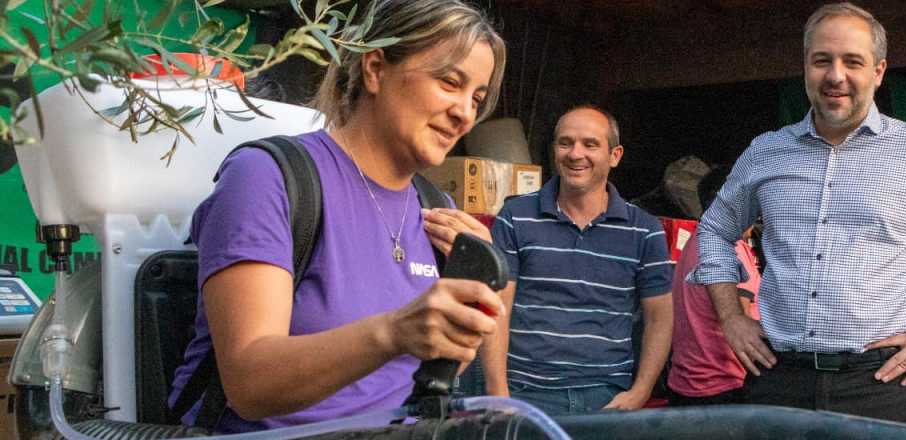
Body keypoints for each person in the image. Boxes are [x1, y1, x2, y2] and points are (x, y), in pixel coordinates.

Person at [169, 0, 508, 432]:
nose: (465, 113)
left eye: (476, 99)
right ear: (375, 69)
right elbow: (248, 384)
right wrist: (394, 332)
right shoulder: (269, 178)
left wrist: (478, 280)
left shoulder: (437, 209)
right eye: (448, 82)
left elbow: (427, 375)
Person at [692, 2, 906, 425]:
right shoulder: (766, 153)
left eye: (853, 61)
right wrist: (731, 318)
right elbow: (714, 230)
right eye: (822, 60)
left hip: (884, 383)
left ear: (878, 72)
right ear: (805, 67)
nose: (835, 76)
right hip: (778, 378)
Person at [490, 105, 674, 415]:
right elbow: (495, 309)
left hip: (606, 400)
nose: (576, 154)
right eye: (565, 142)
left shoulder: (645, 230)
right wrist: (499, 396)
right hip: (527, 396)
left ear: (615, 155)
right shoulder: (515, 217)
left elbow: (660, 319)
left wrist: (640, 392)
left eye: (590, 144)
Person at [667, 166, 760, 406]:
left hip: (685, 386)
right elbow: (743, 328)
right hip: (725, 389)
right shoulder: (732, 249)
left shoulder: (694, 243)